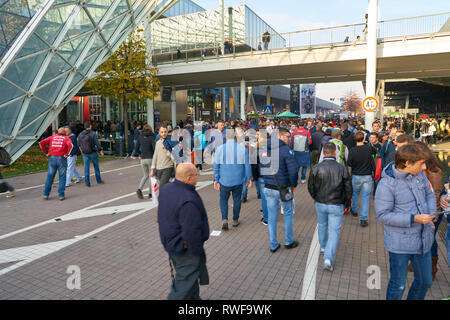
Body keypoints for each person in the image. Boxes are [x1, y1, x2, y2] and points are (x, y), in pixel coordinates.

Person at [375, 144, 436, 300]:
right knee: (398, 285)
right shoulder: (387, 184)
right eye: (421, 163)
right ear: (407, 163)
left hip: (423, 239)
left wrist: (431, 214)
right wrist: (413, 218)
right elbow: (383, 215)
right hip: (400, 244)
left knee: (425, 281)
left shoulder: (419, 176)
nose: (424, 168)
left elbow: (429, 194)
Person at [157, 163, 209, 300]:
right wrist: (196, 251)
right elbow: (191, 230)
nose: (197, 177)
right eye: (196, 174)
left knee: (190, 277)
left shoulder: (167, 189)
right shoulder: (188, 199)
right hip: (185, 248)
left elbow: (161, 215)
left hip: (171, 242)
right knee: (185, 281)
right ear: (188, 178)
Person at [308, 142, 352, 271]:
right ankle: (328, 258)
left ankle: (323, 247)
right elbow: (348, 187)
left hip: (320, 202)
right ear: (335, 153)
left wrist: (316, 197)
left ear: (323, 153)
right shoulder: (341, 168)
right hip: (336, 203)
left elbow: (310, 186)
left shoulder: (316, 167)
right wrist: (347, 202)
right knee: (334, 231)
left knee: (322, 225)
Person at [261, 128, 299, 252]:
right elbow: (293, 170)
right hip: (283, 188)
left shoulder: (265, 149)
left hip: (268, 187)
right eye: (287, 136)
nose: (289, 139)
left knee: (271, 216)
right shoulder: (286, 150)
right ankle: (288, 241)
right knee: (287, 213)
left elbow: (262, 167)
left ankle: (273, 244)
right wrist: (293, 185)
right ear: (280, 136)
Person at [412, 142, 444, 280]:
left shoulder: (434, 170)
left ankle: (432, 266)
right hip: (420, 210)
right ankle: (419, 264)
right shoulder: (419, 167)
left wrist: (434, 214)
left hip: (431, 211)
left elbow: (436, 193)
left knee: (430, 239)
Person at [213, 129, 252, 230]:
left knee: (223, 200)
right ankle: (235, 219)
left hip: (224, 180)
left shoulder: (220, 149)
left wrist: (216, 179)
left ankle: (224, 219)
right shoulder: (242, 148)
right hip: (238, 180)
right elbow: (247, 166)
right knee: (237, 200)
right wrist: (248, 179)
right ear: (235, 137)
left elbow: (216, 166)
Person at [347, 131, 378, 227]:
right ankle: (363, 219)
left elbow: (349, 163)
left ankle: (355, 210)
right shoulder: (368, 148)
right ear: (364, 139)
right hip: (367, 175)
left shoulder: (352, 150)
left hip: (356, 175)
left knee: (355, 193)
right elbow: (375, 151)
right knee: (365, 197)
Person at [39, 128, 73, 200]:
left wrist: (46, 152)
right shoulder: (65, 138)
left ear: (58, 132)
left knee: (50, 177)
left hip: (52, 158)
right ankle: (61, 195)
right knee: (62, 177)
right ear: (64, 132)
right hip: (62, 158)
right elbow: (71, 145)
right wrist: (67, 154)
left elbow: (41, 142)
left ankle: (46, 194)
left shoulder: (52, 137)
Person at [78, 122, 104, 187]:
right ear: (90, 126)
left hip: (85, 153)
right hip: (93, 152)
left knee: (86, 168)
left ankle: (87, 183)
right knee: (96, 167)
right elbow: (97, 143)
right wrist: (100, 150)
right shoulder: (93, 133)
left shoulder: (80, 134)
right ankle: (98, 180)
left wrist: (82, 150)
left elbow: (78, 144)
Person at [151, 125, 176, 191]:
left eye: (165, 132)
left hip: (168, 167)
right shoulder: (158, 143)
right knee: (166, 184)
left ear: (167, 132)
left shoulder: (172, 142)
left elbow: (175, 157)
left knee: (161, 187)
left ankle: (162, 200)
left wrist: (167, 152)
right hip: (159, 168)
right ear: (159, 132)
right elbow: (155, 155)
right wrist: (152, 169)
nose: (163, 133)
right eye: (162, 132)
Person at [135, 125, 156, 200]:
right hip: (150, 158)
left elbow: (136, 148)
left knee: (145, 175)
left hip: (143, 159)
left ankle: (139, 189)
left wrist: (140, 153)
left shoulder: (140, 137)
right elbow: (154, 149)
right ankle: (150, 193)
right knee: (152, 176)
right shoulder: (152, 137)